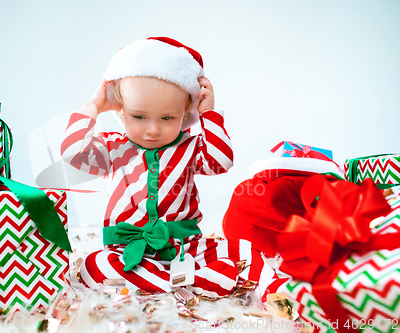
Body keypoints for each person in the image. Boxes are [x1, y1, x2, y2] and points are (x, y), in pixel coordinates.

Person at [61, 37, 285, 298]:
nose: (153, 129)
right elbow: (73, 154)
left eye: (167, 118)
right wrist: (93, 106)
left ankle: (275, 292)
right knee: (94, 266)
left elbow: (222, 161)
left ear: (185, 112)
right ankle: (188, 283)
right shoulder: (113, 148)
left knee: (244, 252)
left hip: (185, 248)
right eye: (139, 116)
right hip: (127, 251)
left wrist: (208, 114)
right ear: (120, 110)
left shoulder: (191, 147)